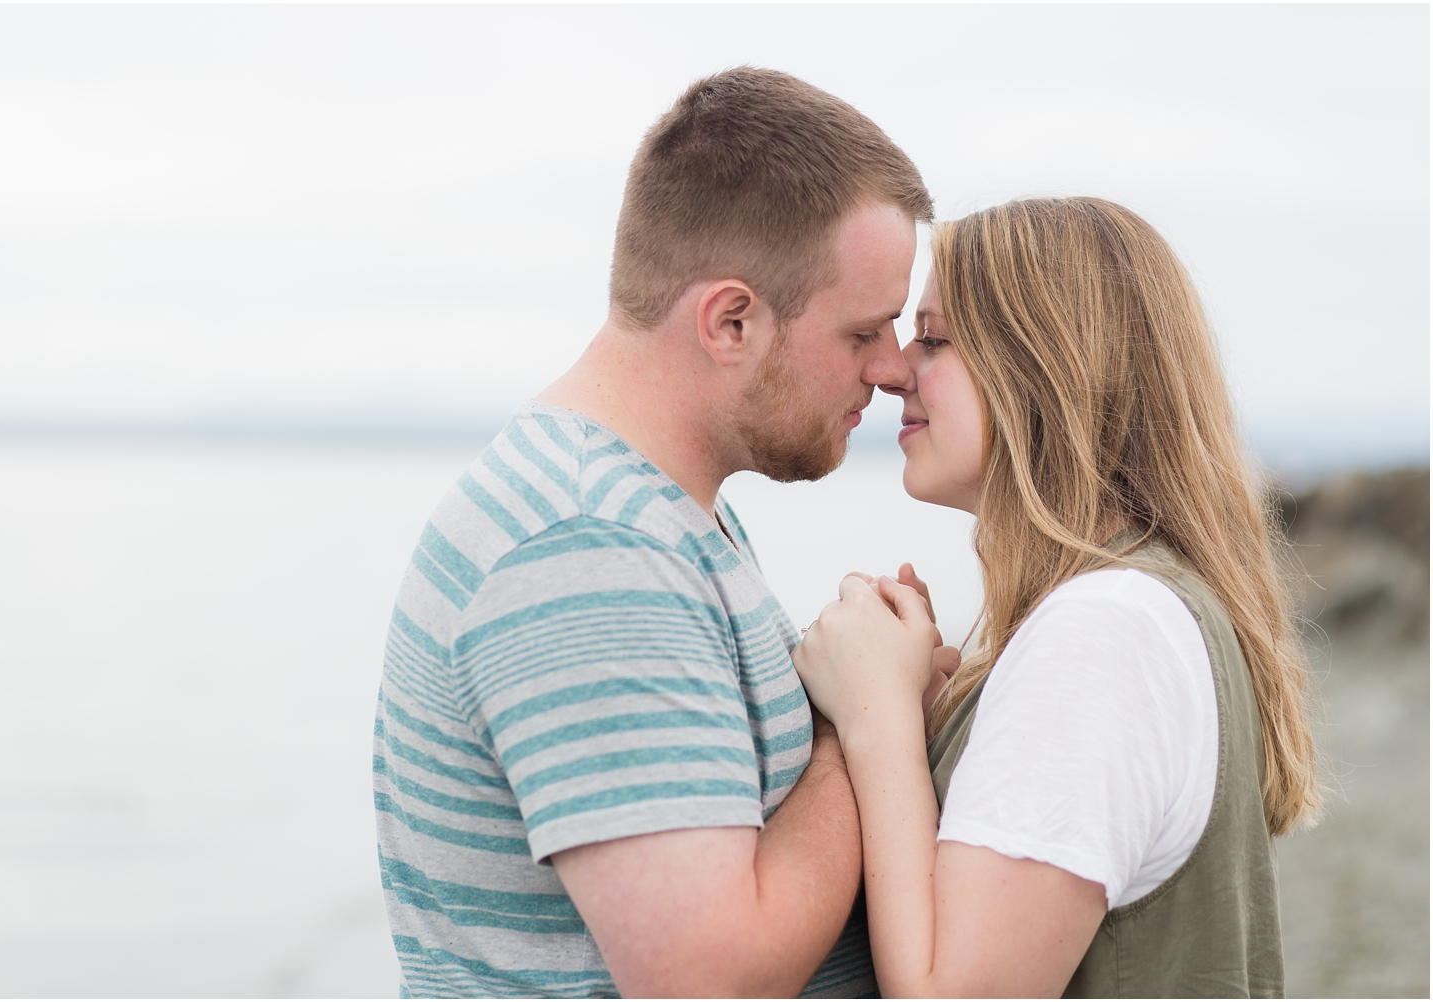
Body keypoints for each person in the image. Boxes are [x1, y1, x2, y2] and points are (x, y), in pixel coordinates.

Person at [372, 67, 932, 997]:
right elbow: (710, 981)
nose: (893, 367)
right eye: (862, 332)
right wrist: (869, 719)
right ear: (731, 321)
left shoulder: (652, 510)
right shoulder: (587, 549)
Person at [793, 197, 1319, 998]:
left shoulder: (1104, 632)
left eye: (932, 338)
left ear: (1047, 367)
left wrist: (877, 717)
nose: (894, 366)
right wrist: (937, 716)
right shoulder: (1139, 600)